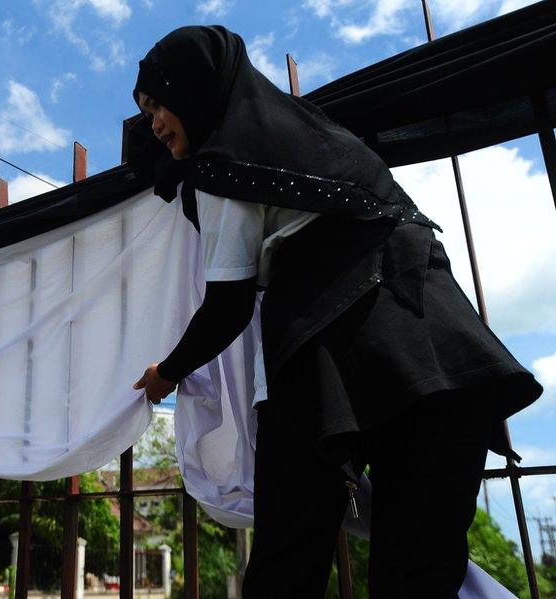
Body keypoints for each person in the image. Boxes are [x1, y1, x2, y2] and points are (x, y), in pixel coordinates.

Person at [129, 26, 542, 597]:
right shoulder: (331, 145)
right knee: (419, 568)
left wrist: (165, 375)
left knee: (287, 561)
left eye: (158, 104)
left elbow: (227, 306)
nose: (153, 123)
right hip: (444, 354)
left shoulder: (224, 166)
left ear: (195, 88)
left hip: (328, 361)